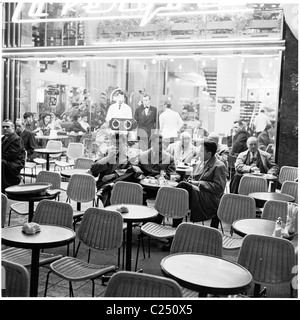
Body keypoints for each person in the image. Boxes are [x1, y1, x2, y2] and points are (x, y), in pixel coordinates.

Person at [176, 139, 227, 229]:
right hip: (198, 194)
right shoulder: (199, 163)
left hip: (210, 199)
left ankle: (173, 226)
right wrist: (190, 180)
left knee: (182, 188)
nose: (199, 152)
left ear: (209, 154)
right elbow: (192, 179)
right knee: (179, 195)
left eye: (201, 151)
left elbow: (219, 188)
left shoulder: (219, 166)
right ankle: (175, 227)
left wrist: (198, 183)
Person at [89, 132, 141, 207]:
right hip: (104, 183)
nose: (116, 146)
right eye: (114, 143)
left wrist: (114, 175)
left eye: (119, 143)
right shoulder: (105, 152)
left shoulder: (131, 154)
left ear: (124, 142)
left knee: (134, 170)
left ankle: (109, 186)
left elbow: (135, 171)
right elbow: (93, 170)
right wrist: (107, 158)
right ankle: (111, 214)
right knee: (110, 193)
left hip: (124, 184)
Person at [1, 119, 26, 193]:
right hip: (7, 161)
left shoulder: (17, 139)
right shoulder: (3, 138)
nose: (5, 128)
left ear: (13, 128)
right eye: (3, 127)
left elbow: (11, 155)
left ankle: (3, 188)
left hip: (15, 164)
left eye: (7, 127)